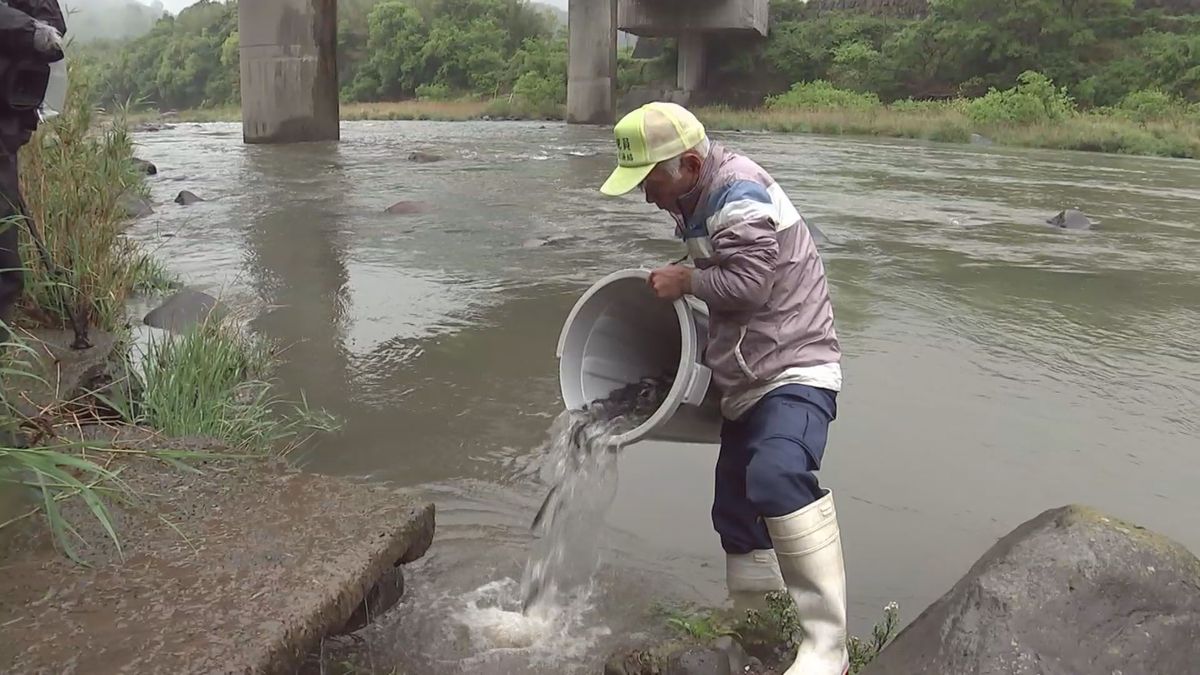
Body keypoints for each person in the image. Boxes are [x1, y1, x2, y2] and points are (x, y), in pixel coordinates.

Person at [598, 101, 848, 675]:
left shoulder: (738, 190)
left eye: (650, 181)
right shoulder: (695, 198)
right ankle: (759, 625)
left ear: (687, 164)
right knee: (734, 508)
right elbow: (729, 266)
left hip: (794, 369)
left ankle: (826, 647)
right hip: (745, 377)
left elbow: (753, 283)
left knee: (777, 475)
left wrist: (686, 277)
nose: (647, 196)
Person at [0, 0, 67, 339]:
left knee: (6, 269)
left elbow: (55, 28)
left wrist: (37, 30)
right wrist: (30, 32)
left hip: (6, 138)